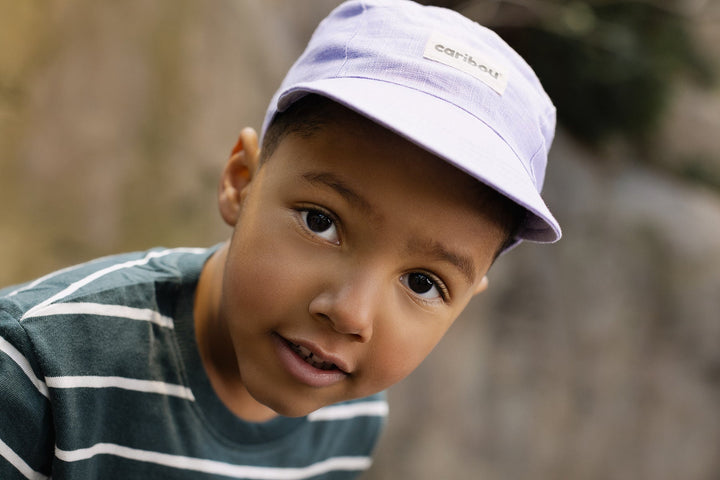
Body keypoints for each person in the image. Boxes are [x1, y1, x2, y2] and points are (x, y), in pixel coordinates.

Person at [0, 0, 561, 478]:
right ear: (241, 181)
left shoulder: (351, 418)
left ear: (464, 303)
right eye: (322, 221)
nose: (350, 314)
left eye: (423, 283)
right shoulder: (38, 367)